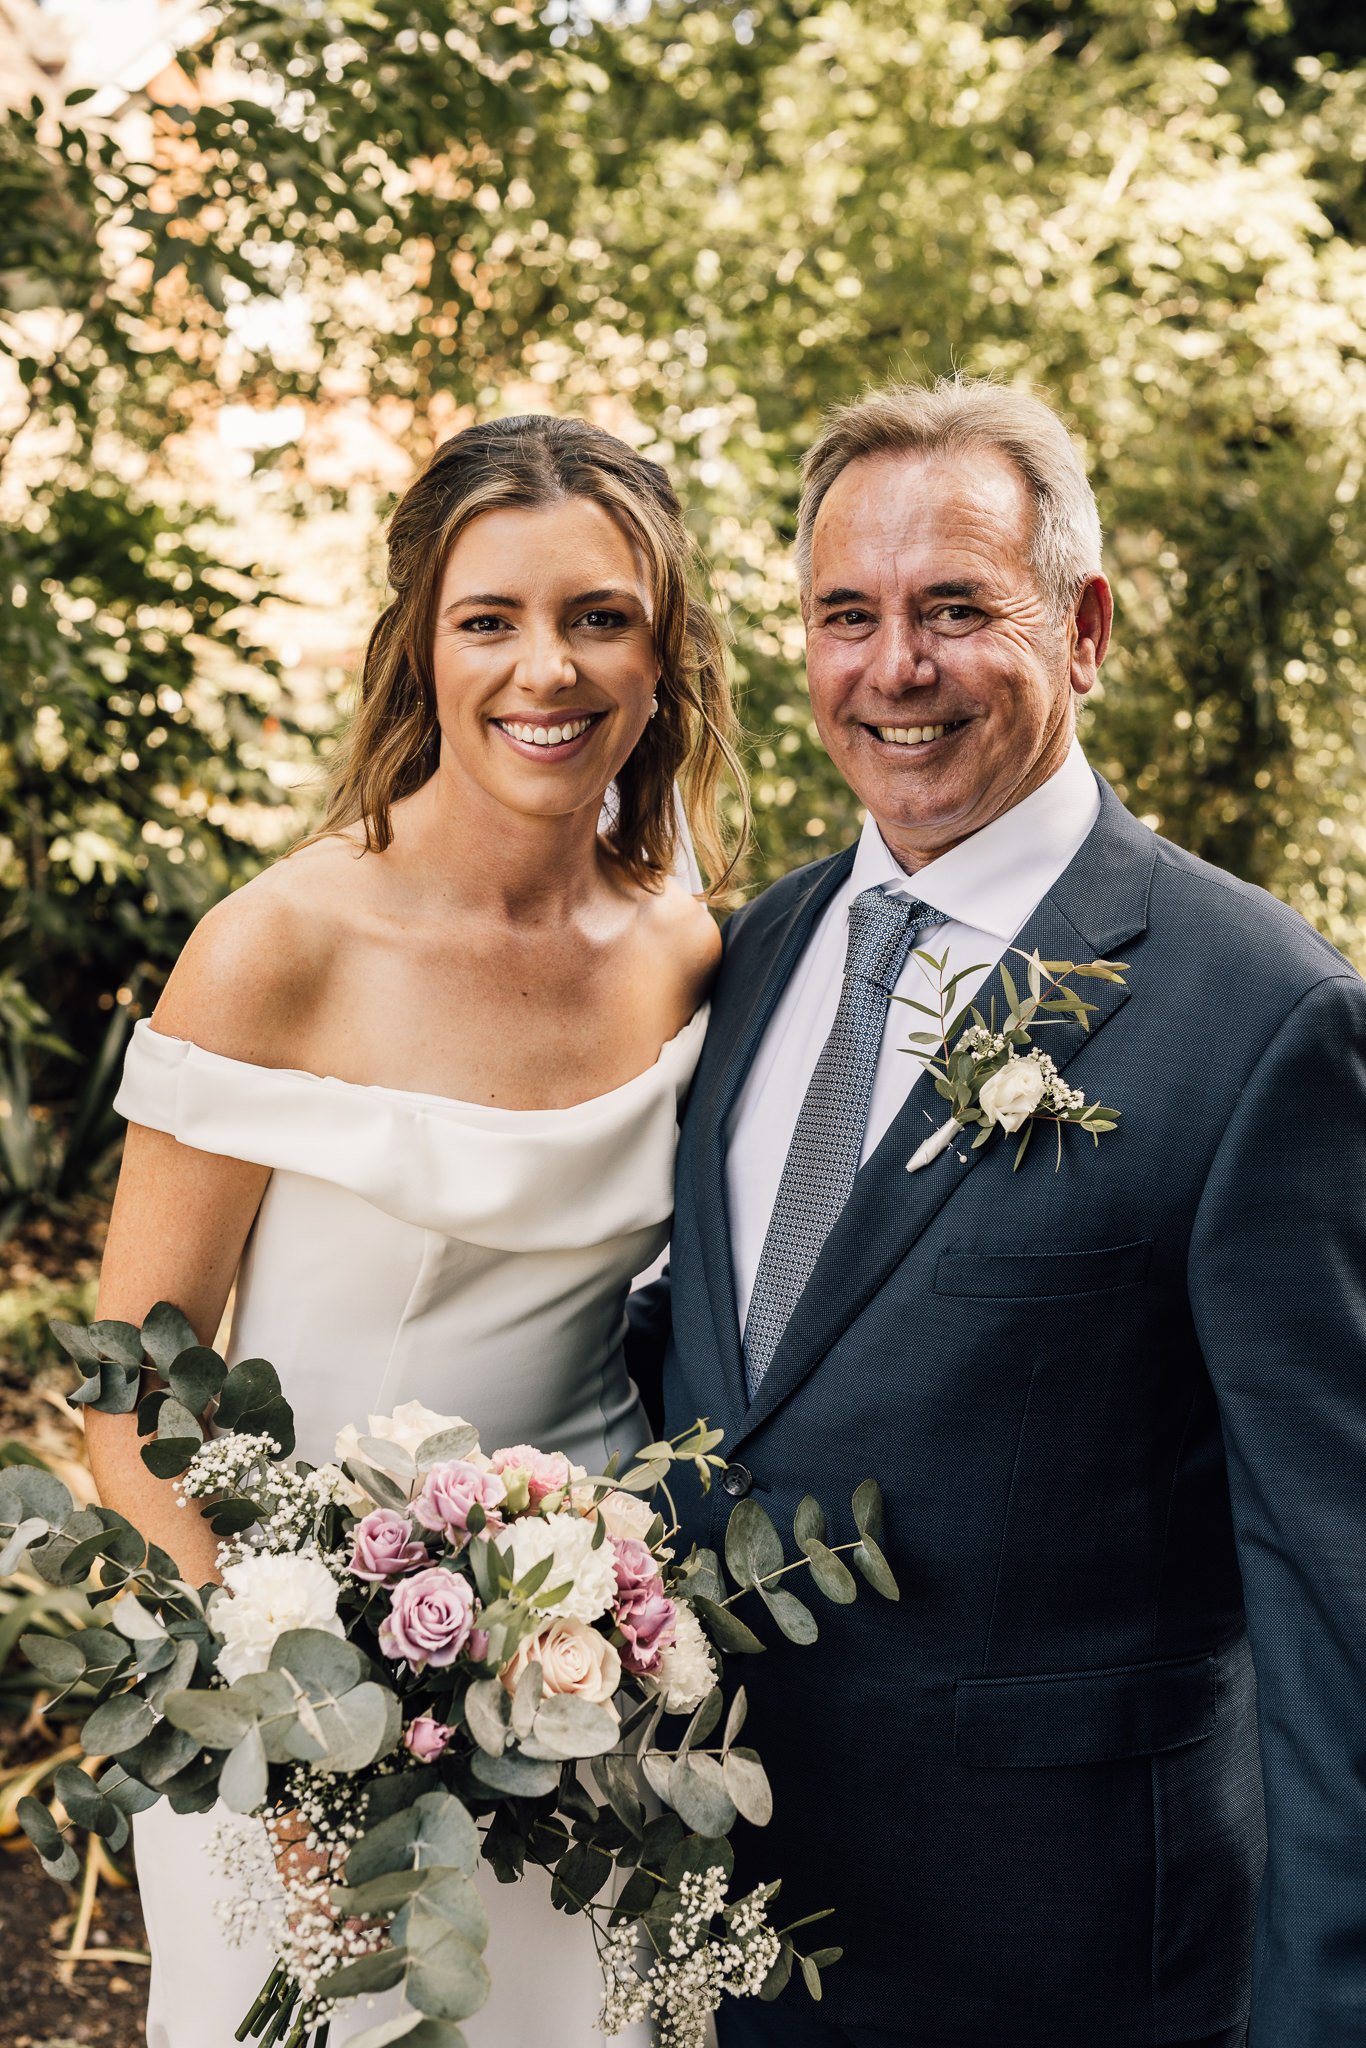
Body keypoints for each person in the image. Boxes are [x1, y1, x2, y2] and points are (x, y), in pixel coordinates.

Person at [654, 377, 1366, 2048]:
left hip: (1073, 1960)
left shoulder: (1261, 1014)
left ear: (1084, 628)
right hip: (730, 1924)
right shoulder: (752, 953)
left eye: (955, 609)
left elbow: (1334, 1582)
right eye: (847, 615)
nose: (893, 669)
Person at [87, 412, 741, 2048]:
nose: (550, 670)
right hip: (294, 1693)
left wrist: (623, 1646)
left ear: (662, 659)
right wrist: (286, 1717)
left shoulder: (681, 945)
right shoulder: (275, 949)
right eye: (490, 620)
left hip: (604, 1690)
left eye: (600, 618)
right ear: (418, 649)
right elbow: (131, 1409)